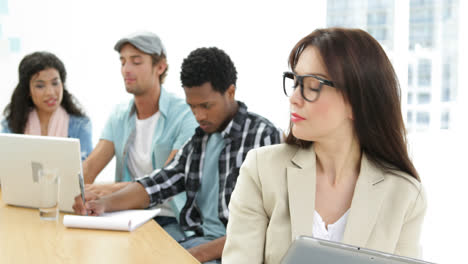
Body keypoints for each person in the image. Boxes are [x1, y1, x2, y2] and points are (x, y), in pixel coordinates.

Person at [222, 28, 427, 263]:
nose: (294, 97)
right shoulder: (262, 169)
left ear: (356, 101)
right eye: (295, 81)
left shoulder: (405, 195)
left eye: (312, 85)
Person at [73, 47, 282, 263]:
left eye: (206, 106)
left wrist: (195, 255)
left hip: (238, 253)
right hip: (197, 243)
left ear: (230, 92)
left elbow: (268, 226)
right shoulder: (199, 140)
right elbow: (157, 183)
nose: (199, 115)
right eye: (192, 106)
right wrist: (104, 203)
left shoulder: (263, 137)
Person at [81, 32, 198, 241]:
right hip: (125, 213)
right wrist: (70, 189)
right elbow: (90, 168)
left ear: (160, 66)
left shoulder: (185, 115)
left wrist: (106, 190)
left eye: (136, 62)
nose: (126, 69)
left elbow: (167, 180)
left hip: (168, 216)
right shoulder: (119, 116)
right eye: (123, 62)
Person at [1, 51, 92, 160]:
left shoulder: (80, 125)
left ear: (62, 84)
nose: (50, 92)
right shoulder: (11, 125)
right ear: (28, 90)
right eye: (40, 86)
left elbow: (85, 171)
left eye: (55, 83)